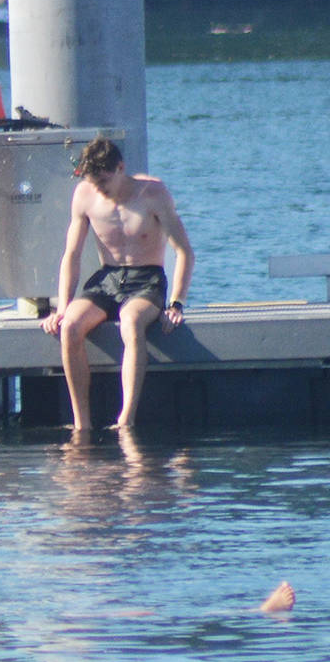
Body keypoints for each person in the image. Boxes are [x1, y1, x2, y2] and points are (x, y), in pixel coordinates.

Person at [43, 136, 194, 438]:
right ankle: (81, 422)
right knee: (71, 326)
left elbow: (184, 252)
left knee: (131, 321)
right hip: (108, 278)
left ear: (121, 168)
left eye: (103, 181)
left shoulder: (153, 193)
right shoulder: (85, 195)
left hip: (146, 279)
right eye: (93, 182)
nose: (99, 189)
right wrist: (61, 306)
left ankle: (126, 419)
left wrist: (176, 303)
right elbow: (71, 255)